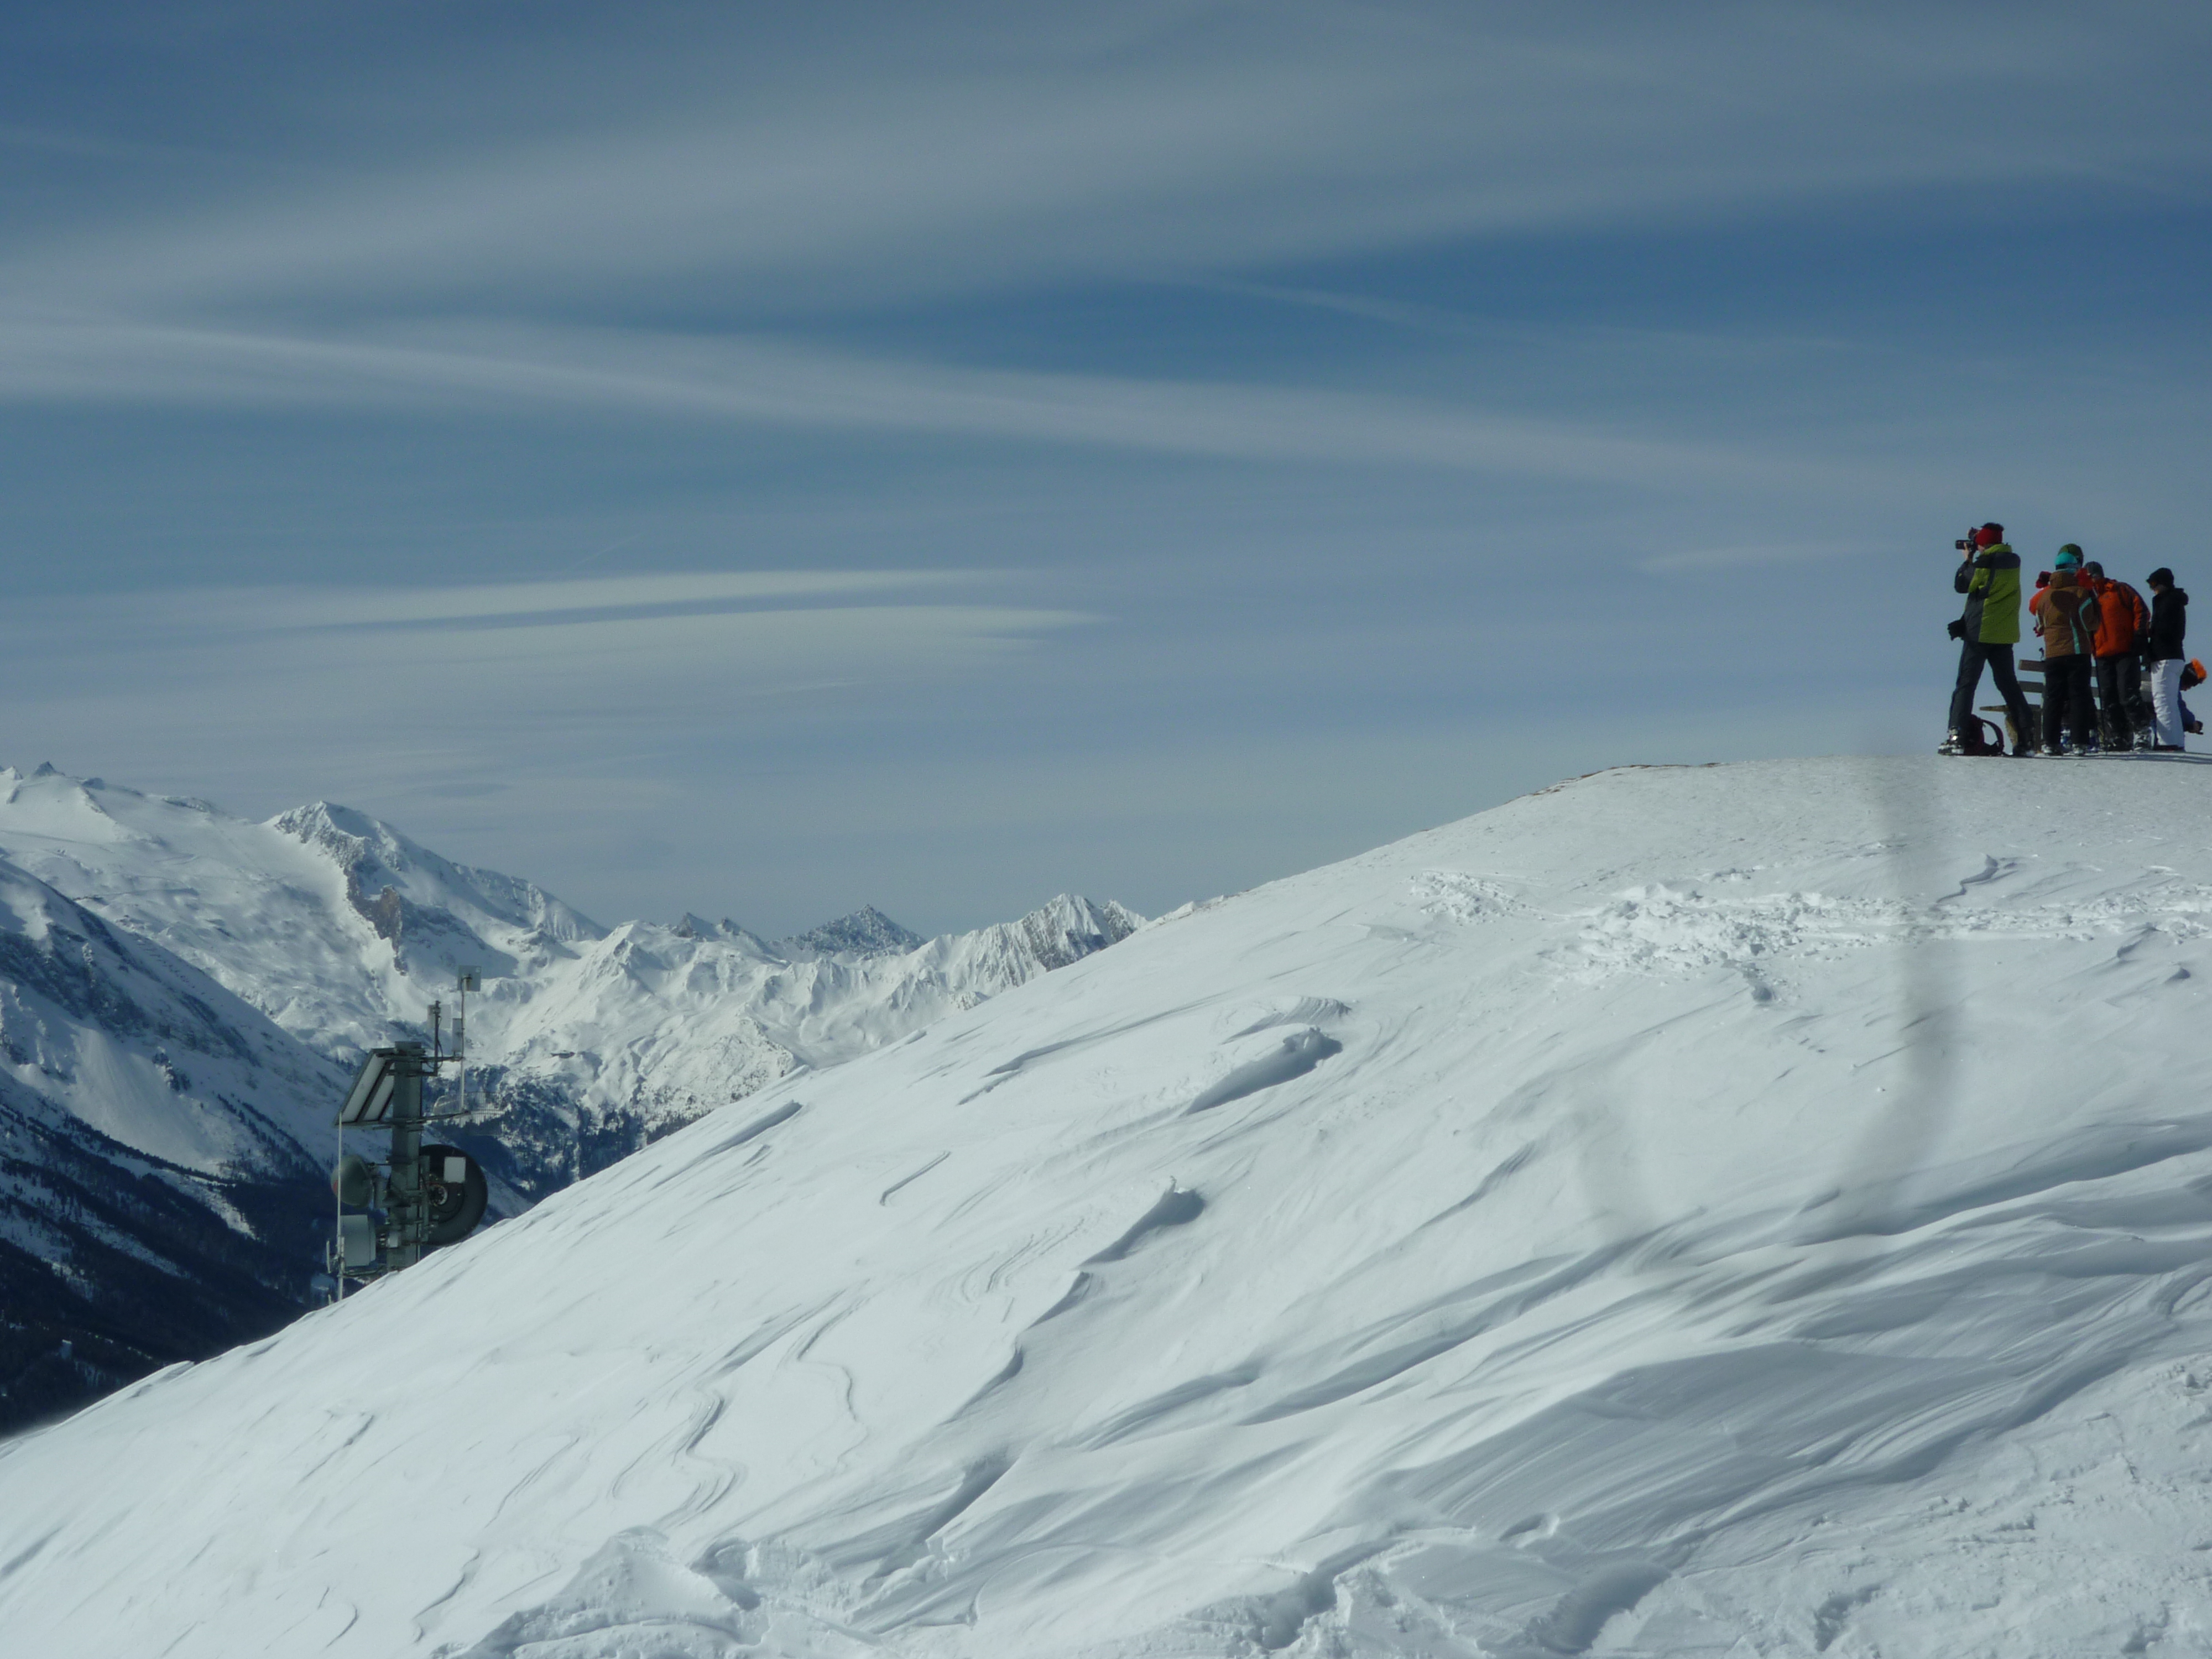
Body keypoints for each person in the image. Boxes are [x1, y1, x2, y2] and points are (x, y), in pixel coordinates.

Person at [1945, 524, 2033, 755]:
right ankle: (2027, 740)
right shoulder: (2013, 562)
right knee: (2009, 686)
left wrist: (1968, 559)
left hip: (1980, 632)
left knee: (1966, 684)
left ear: (1983, 544)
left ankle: (1956, 736)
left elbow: (1962, 585)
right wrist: (1979, 541)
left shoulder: (1983, 563)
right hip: (2004, 635)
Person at [2029, 547, 2100, 753]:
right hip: (2077, 651)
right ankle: (2080, 742)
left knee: (2053, 698)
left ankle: (2050, 743)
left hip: (2052, 654)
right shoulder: (2081, 593)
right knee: (2079, 696)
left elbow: (2040, 626)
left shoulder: (2043, 597)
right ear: (2075, 568)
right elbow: (2091, 624)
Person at [2081, 558, 2151, 749]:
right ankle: (2119, 737)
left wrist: (2140, 636)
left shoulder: (2120, 590)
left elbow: (2142, 611)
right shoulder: (2086, 597)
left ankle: (2142, 733)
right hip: (2102, 653)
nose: (2093, 579)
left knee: (2128, 695)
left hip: (2126, 651)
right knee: (2109, 698)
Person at [2146, 566, 2190, 750]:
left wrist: (2149, 632)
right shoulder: (2175, 602)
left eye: (2155, 584)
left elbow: (2165, 630)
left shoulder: (2167, 603)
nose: (2153, 589)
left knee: (2162, 699)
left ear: (2164, 584)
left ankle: (2167, 742)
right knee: (2170, 700)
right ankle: (2176, 741)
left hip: (2165, 656)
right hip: (2175, 656)